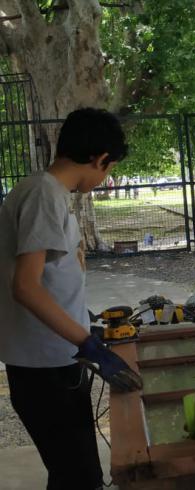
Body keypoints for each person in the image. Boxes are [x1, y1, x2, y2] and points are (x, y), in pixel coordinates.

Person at [0, 107, 143, 490]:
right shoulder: (43, 195)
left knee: (71, 475)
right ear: (100, 159)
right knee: (80, 479)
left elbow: (49, 279)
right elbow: (25, 286)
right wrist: (88, 343)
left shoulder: (44, 192)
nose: (105, 178)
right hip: (46, 369)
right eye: (109, 169)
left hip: (55, 360)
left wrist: (83, 324)